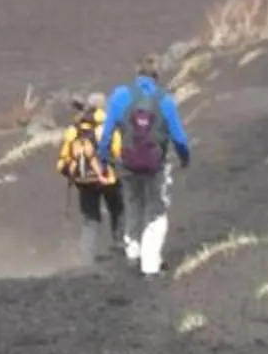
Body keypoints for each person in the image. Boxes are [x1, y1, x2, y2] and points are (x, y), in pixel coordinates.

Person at [98, 54, 193, 275]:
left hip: (127, 164)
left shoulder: (120, 96)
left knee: (132, 205)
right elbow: (179, 138)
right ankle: (150, 266)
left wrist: (104, 160)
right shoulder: (164, 100)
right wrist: (184, 158)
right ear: (156, 75)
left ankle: (133, 253)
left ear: (137, 73)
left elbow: (107, 134)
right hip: (155, 166)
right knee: (156, 212)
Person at [56, 96, 126, 267]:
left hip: (83, 180)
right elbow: (118, 152)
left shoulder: (74, 129)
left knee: (90, 220)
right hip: (108, 178)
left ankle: (86, 259)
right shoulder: (108, 126)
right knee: (118, 211)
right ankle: (120, 248)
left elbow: (61, 162)